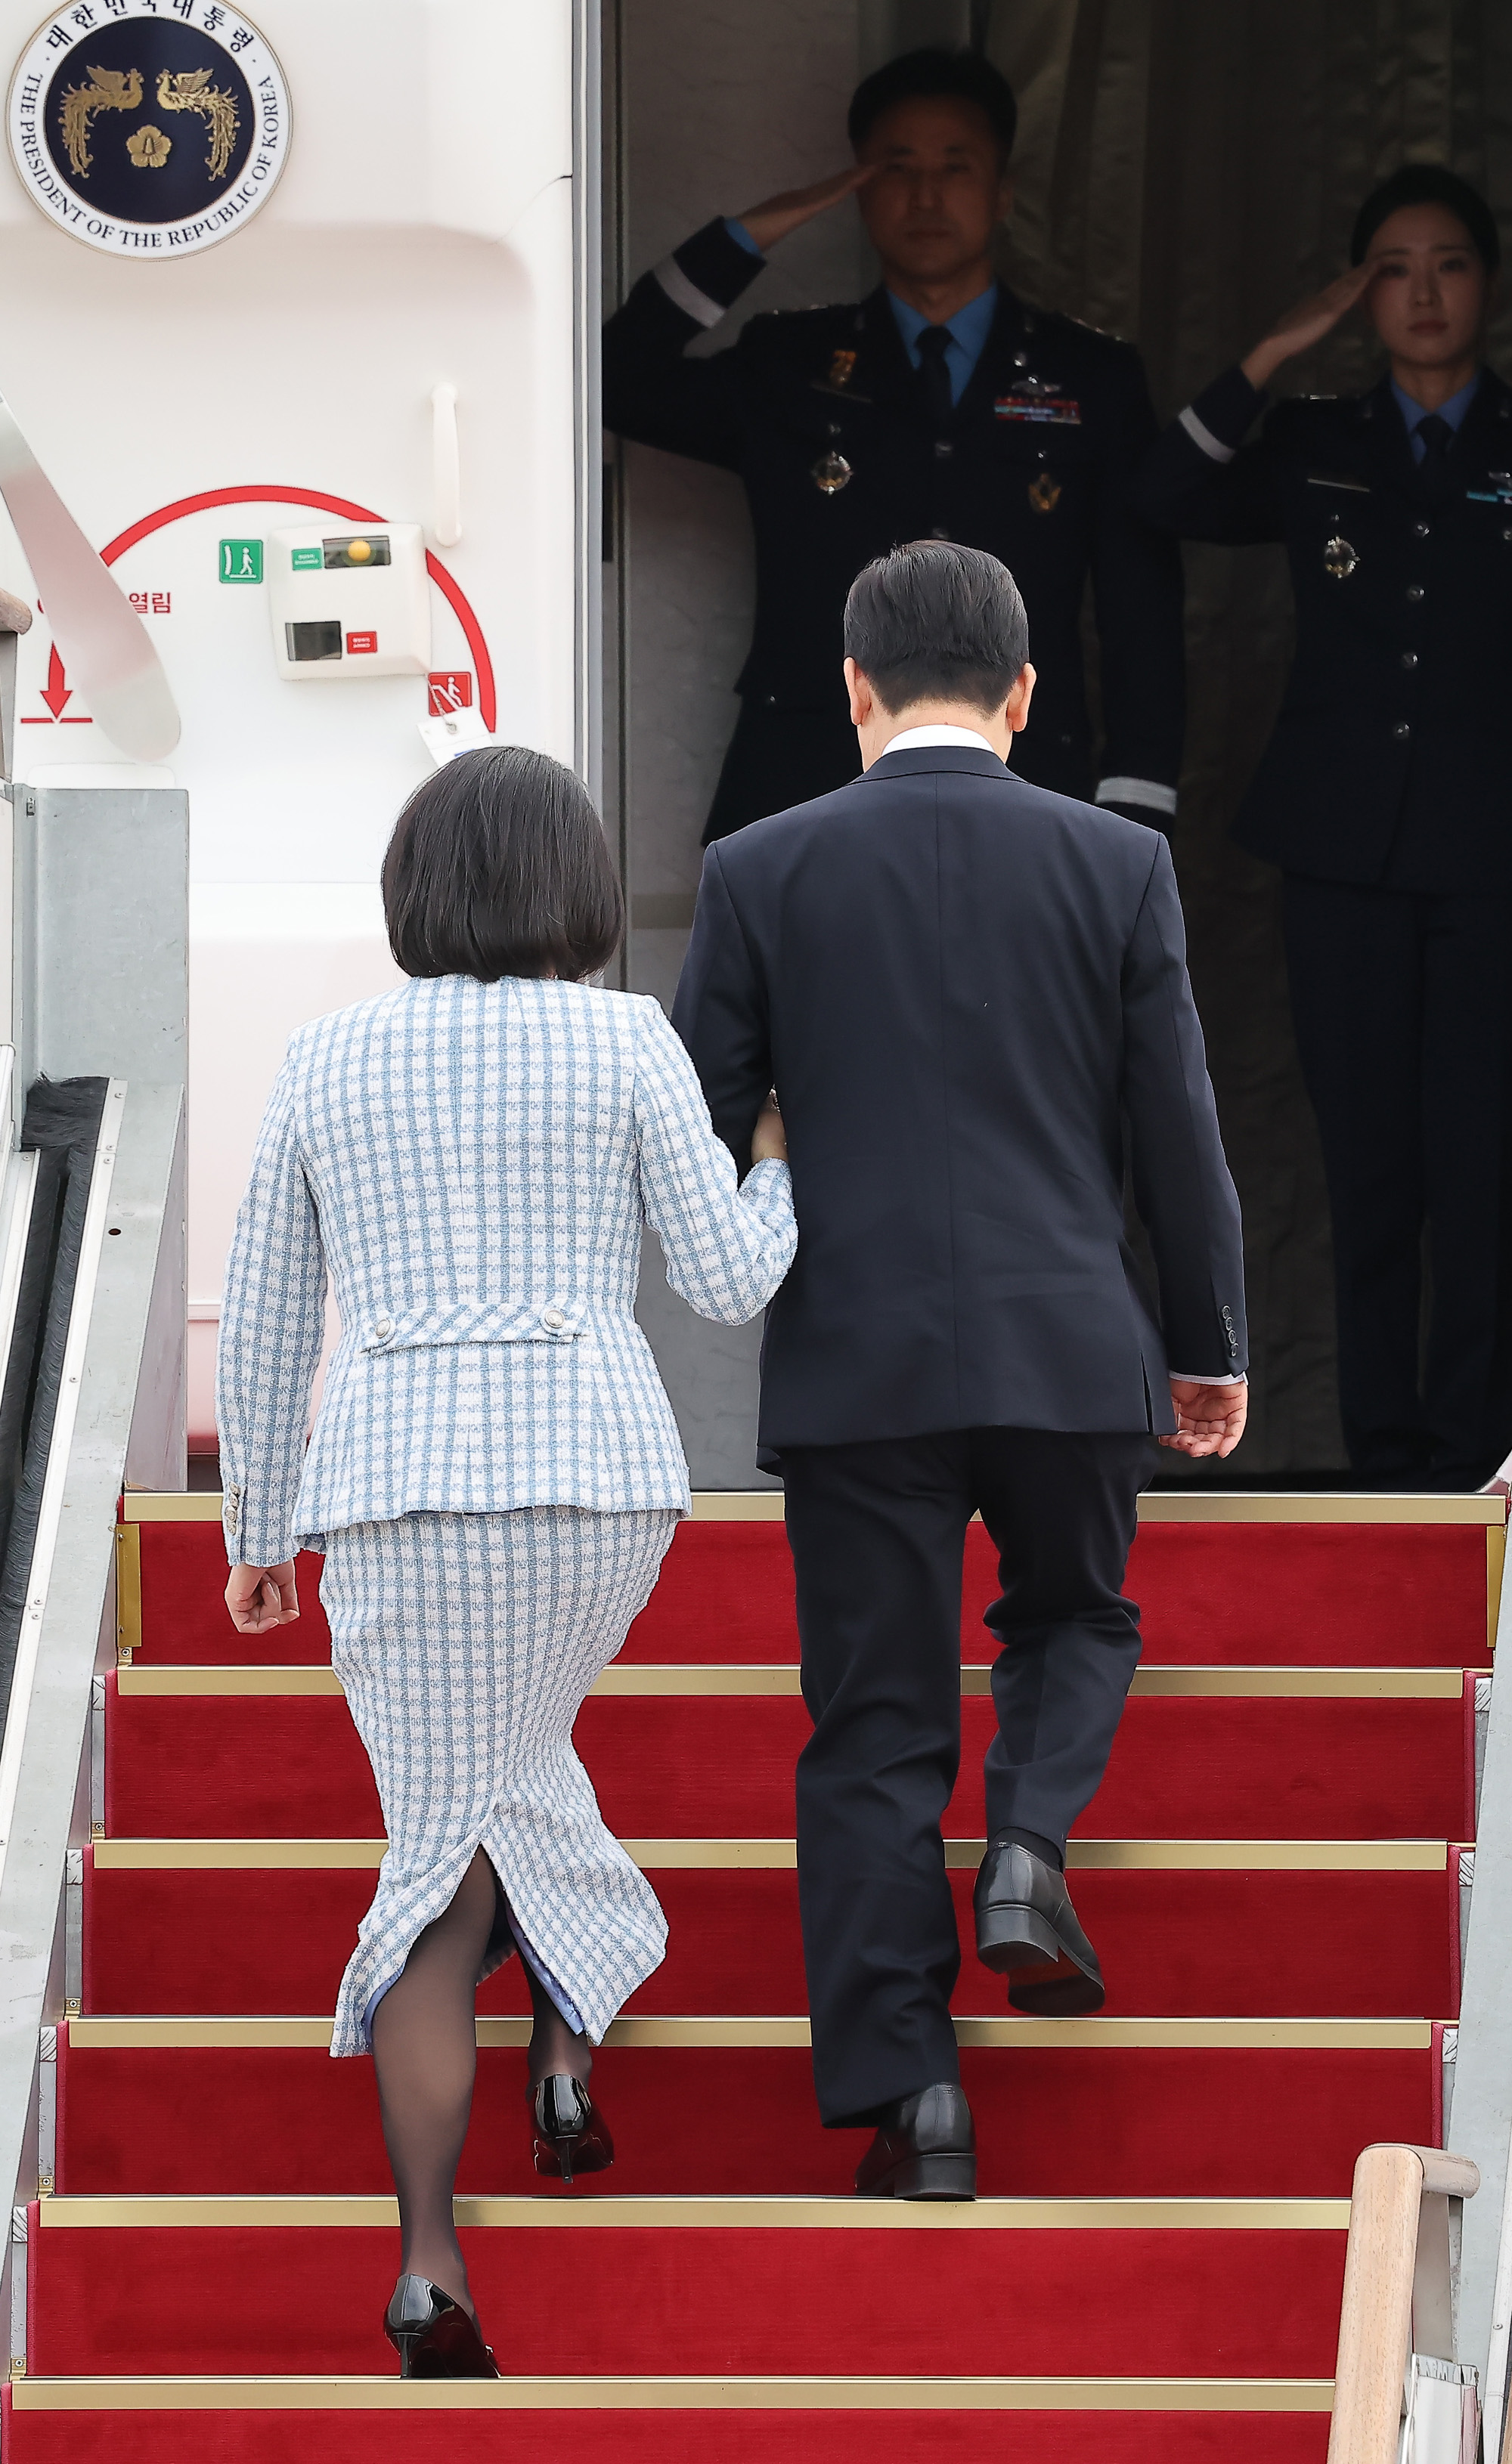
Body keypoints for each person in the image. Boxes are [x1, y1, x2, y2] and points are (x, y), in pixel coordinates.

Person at [672, 540, 1247, 2196]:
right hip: (1071, 1342)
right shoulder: (1115, 864)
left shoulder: (757, 867)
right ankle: (1025, 1851)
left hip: (857, 1363)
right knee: (1076, 1614)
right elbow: (1180, 1136)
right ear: (1024, 693)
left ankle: (911, 2104)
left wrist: (786, 1147)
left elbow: (697, 1123)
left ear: (851, 688)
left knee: (870, 1728)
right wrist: (1202, 1345)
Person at [215, 747, 795, 2374]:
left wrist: (257, 1530)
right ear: (579, 893)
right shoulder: (624, 1039)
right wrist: (776, 1150)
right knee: (506, 1770)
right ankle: (561, 2047)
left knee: (439, 1835)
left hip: (394, 1495)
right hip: (594, 1488)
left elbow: (263, 1316)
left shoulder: (325, 1058)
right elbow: (731, 1278)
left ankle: (425, 2256)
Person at [1132, 165, 1512, 1490]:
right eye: (1392, 268)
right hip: (1343, 856)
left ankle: (1471, 1456)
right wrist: (1282, 342)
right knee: (1369, 1171)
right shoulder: (1316, 442)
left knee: (1481, 1174)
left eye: (1450, 262)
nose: (1422, 291)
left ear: (1487, 284)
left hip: (1489, 862)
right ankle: (1386, 1459)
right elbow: (1166, 489)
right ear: (1363, 294)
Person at [603, 45, 1184, 844]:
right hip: (807, 780)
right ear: (859, 187)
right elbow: (617, 378)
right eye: (895, 167)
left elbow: (1139, 615)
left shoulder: (1090, 380)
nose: (924, 194)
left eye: (955, 166)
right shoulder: (791, 364)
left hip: (1025, 785)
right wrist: (753, 230)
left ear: (1002, 191)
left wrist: (1133, 808)